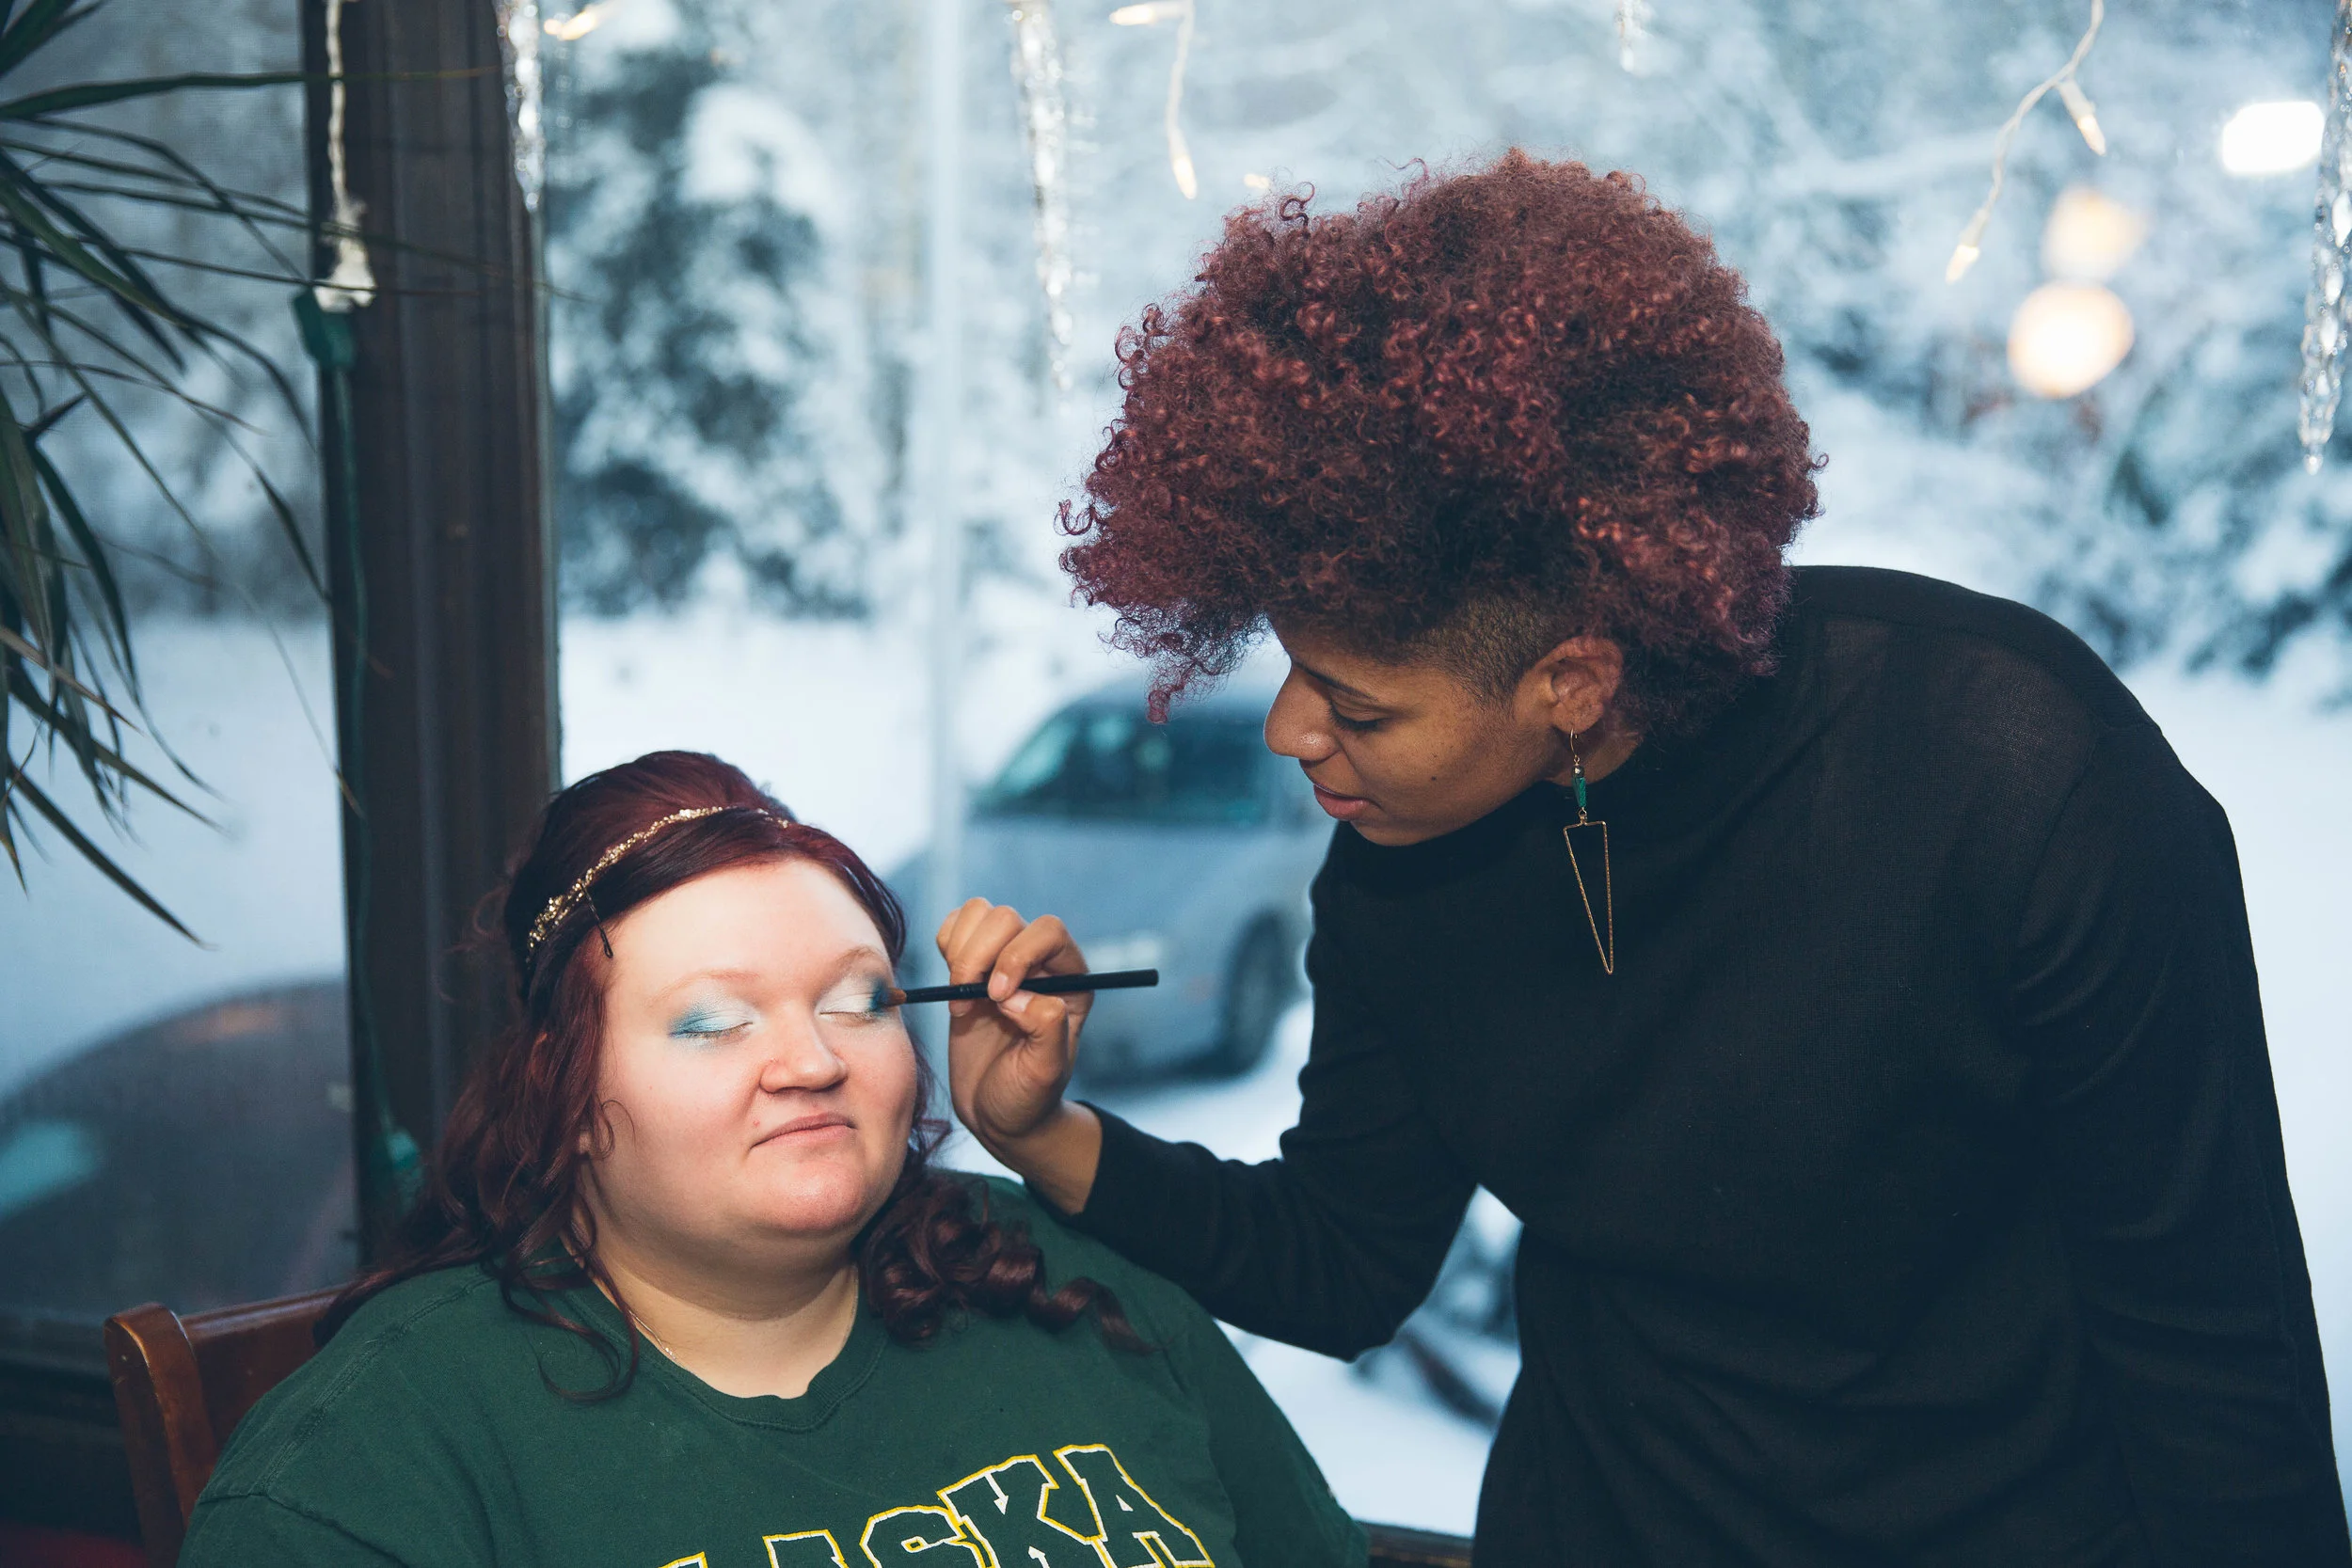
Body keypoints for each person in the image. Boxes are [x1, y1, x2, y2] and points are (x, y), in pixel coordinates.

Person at [936, 152, 2351, 1565]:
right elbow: (1343, 1256)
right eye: (1294, 668)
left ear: (1570, 681)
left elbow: (2213, 1352)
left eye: (1357, 706)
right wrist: (1042, 1130)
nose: (1291, 730)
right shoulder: (1400, 859)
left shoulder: (2022, 779)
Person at [180, 751, 1366, 1568]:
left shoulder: (1079, 1275)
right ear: (566, 1092)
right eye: (712, 1020)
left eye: (858, 1001)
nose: (811, 1058)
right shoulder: (373, 1460)